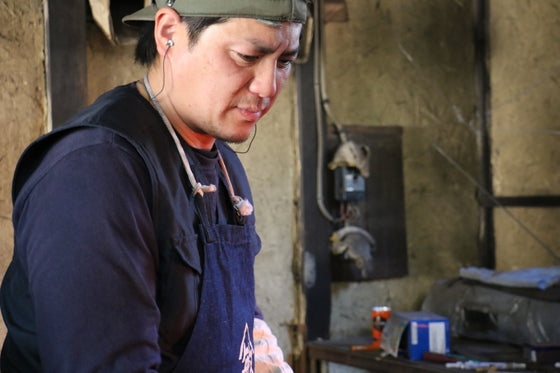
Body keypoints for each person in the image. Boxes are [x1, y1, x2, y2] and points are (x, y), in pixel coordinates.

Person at [0, 0, 307, 371]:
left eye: (284, 61)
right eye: (246, 56)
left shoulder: (225, 168)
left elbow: (237, 323)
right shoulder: (97, 171)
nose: (267, 86)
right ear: (168, 34)